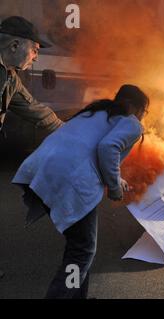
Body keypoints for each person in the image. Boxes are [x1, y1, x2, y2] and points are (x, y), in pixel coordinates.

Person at [12, 84, 149, 298]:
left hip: (43, 170)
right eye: (144, 110)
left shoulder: (95, 112)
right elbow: (107, 148)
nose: (143, 116)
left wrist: (116, 179)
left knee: (79, 246)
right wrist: (114, 189)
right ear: (133, 106)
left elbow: (86, 148)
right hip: (72, 181)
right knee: (82, 251)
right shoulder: (131, 123)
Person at [1, 16, 63, 280]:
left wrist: (71, 134)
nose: (36, 57)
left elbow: (38, 111)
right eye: (35, 49)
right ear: (15, 45)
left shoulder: (11, 78)